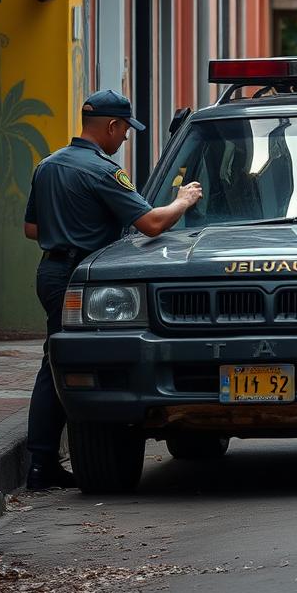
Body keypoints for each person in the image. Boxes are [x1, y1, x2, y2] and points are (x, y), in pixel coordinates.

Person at [22, 90, 203, 490]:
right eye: (124, 131)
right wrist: (183, 200)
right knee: (66, 366)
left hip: (51, 271)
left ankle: (40, 464)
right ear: (110, 126)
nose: (125, 140)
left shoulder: (48, 166)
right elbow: (153, 224)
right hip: (82, 277)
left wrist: (70, 224)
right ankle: (44, 463)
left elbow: (32, 228)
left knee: (54, 360)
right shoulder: (103, 172)